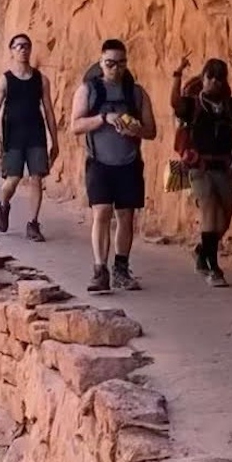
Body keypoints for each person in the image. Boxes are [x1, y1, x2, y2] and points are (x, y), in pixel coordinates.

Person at [70, 38, 156, 292]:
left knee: (126, 216)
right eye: (110, 63)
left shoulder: (136, 93)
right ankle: (100, 269)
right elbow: (75, 125)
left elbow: (152, 131)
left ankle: (121, 268)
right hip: (99, 161)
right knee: (102, 212)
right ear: (101, 62)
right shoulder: (89, 91)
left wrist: (136, 129)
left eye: (120, 64)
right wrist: (104, 118)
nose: (115, 69)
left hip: (128, 161)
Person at [171, 54, 232, 287]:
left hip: (225, 167)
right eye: (211, 77)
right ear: (203, 78)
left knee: (224, 218)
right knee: (209, 211)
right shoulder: (193, 104)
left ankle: (202, 251)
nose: (215, 82)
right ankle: (212, 267)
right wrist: (177, 74)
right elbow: (175, 102)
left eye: (220, 78)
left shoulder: (228, 105)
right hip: (201, 167)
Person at [0, 33, 60, 242]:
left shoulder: (40, 79)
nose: (23, 49)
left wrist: (55, 141)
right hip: (13, 135)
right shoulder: (6, 79)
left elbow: (49, 111)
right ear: (11, 51)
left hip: (35, 134)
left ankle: (33, 224)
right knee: (13, 179)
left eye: (26, 46)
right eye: (18, 46)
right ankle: (4, 204)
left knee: (37, 177)